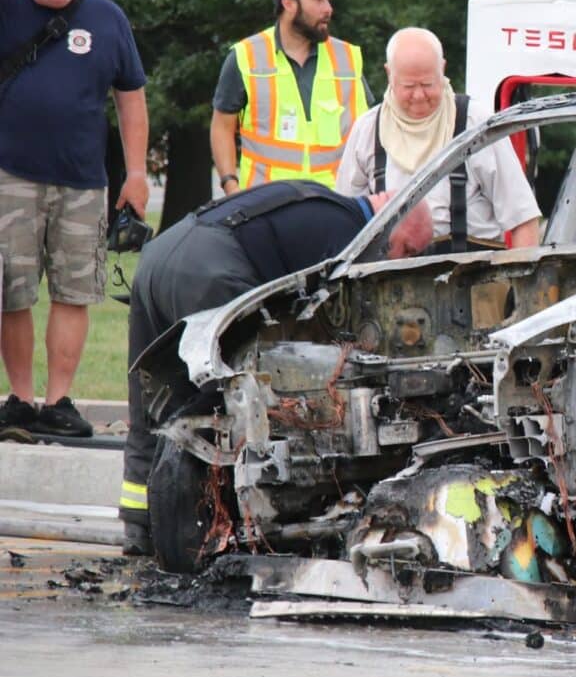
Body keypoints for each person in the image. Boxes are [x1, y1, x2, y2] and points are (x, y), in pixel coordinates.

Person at [119, 180, 433, 555]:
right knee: (227, 401)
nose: (400, 260)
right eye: (407, 249)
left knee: (150, 400)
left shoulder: (320, 203)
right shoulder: (353, 237)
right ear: (387, 219)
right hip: (210, 271)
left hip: (159, 256)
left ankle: (138, 527)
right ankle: (213, 527)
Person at [0, 0, 149, 439]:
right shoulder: (5, 1)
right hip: (10, 175)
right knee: (10, 292)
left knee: (74, 292)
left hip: (84, 182)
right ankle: (19, 399)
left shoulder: (106, 17)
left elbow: (131, 97)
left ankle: (59, 400)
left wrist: (135, 173)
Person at [335, 27, 540, 248]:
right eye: (409, 86)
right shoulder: (367, 130)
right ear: (389, 74)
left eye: (427, 84)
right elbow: (343, 225)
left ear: (442, 69)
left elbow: (523, 220)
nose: (419, 96)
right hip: (389, 277)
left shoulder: (476, 124)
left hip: (473, 274)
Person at [209, 0, 369, 195]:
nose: (328, 9)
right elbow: (221, 127)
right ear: (288, 4)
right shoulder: (246, 56)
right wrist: (230, 186)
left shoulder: (347, 58)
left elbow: (368, 130)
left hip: (334, 204)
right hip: (264, 207)